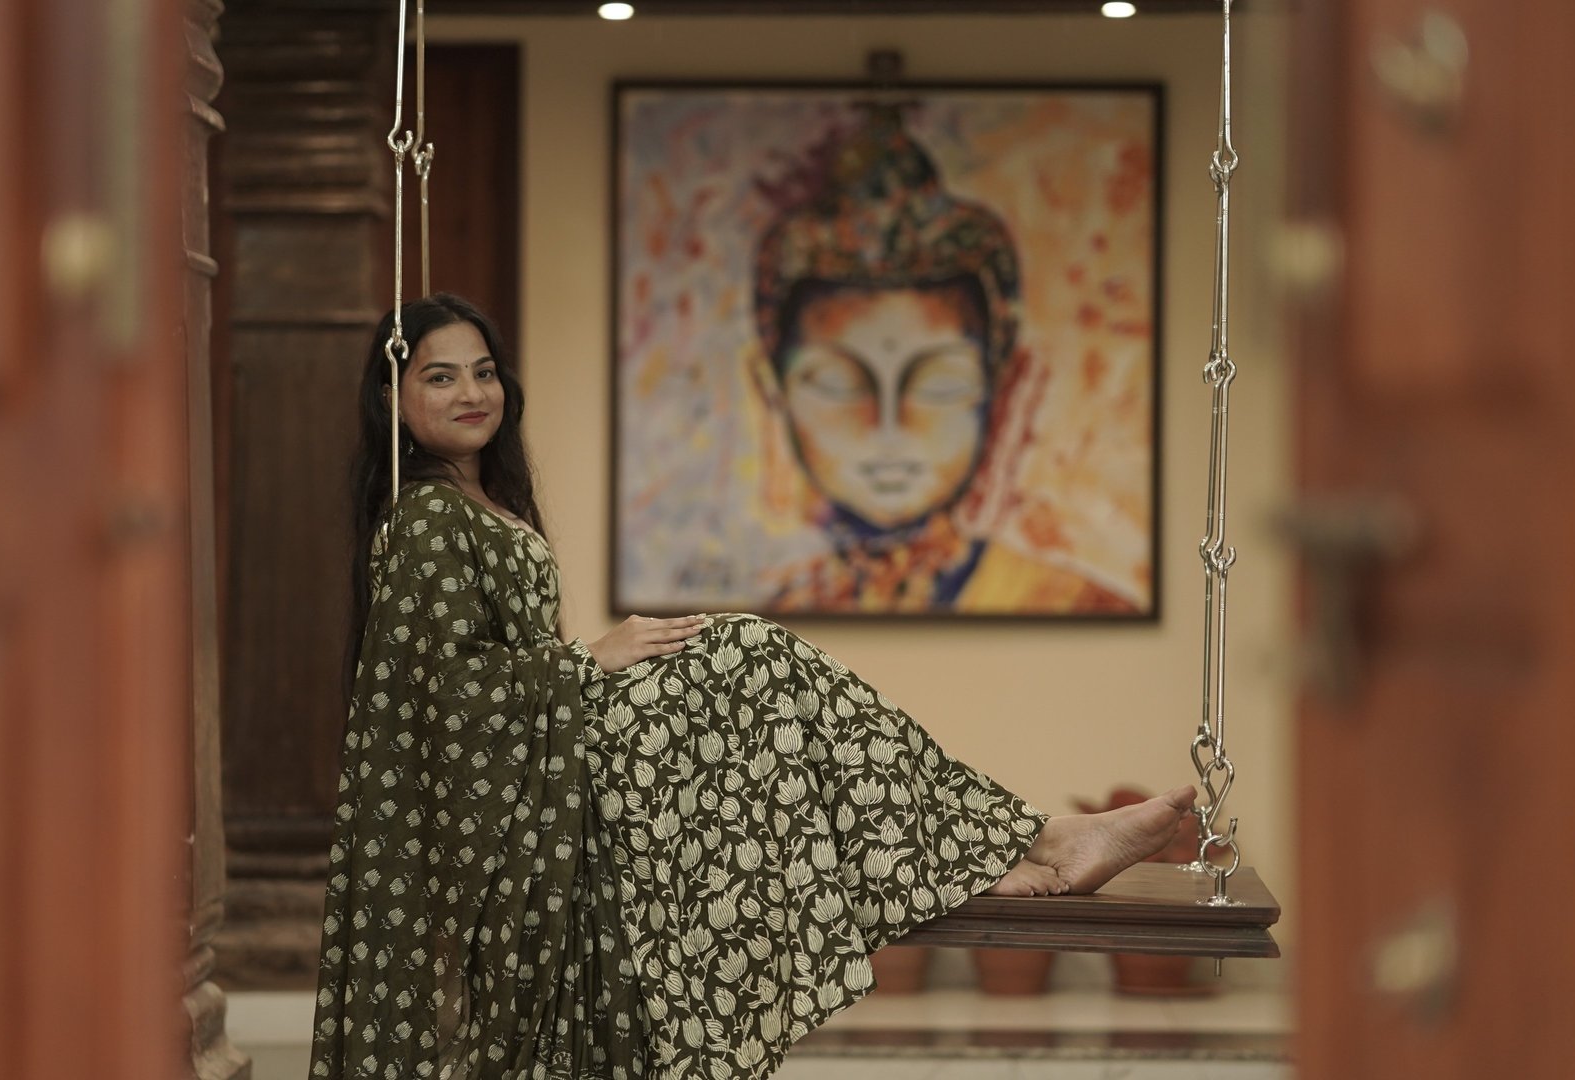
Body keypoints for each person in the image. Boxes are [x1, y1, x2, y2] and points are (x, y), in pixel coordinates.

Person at [308, 292, 1195, 1080]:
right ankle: (1023, 843)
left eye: (485, 372)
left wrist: (586, 666)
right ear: (392, 399)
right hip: (523, 799)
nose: (472, 393)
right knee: (752, 657)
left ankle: (1014, 845)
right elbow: (439, 696)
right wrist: (589, 660)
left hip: (557, 751)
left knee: (762, 673)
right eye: (440, 378)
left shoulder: (479, 500)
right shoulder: (425, 517)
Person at [751, 106, 1135, 614]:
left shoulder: (1079, 607)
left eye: (940, 385)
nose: (888, 429)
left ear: (1003, 389)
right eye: (838, 385)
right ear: (773, 393)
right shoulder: (763, 627)